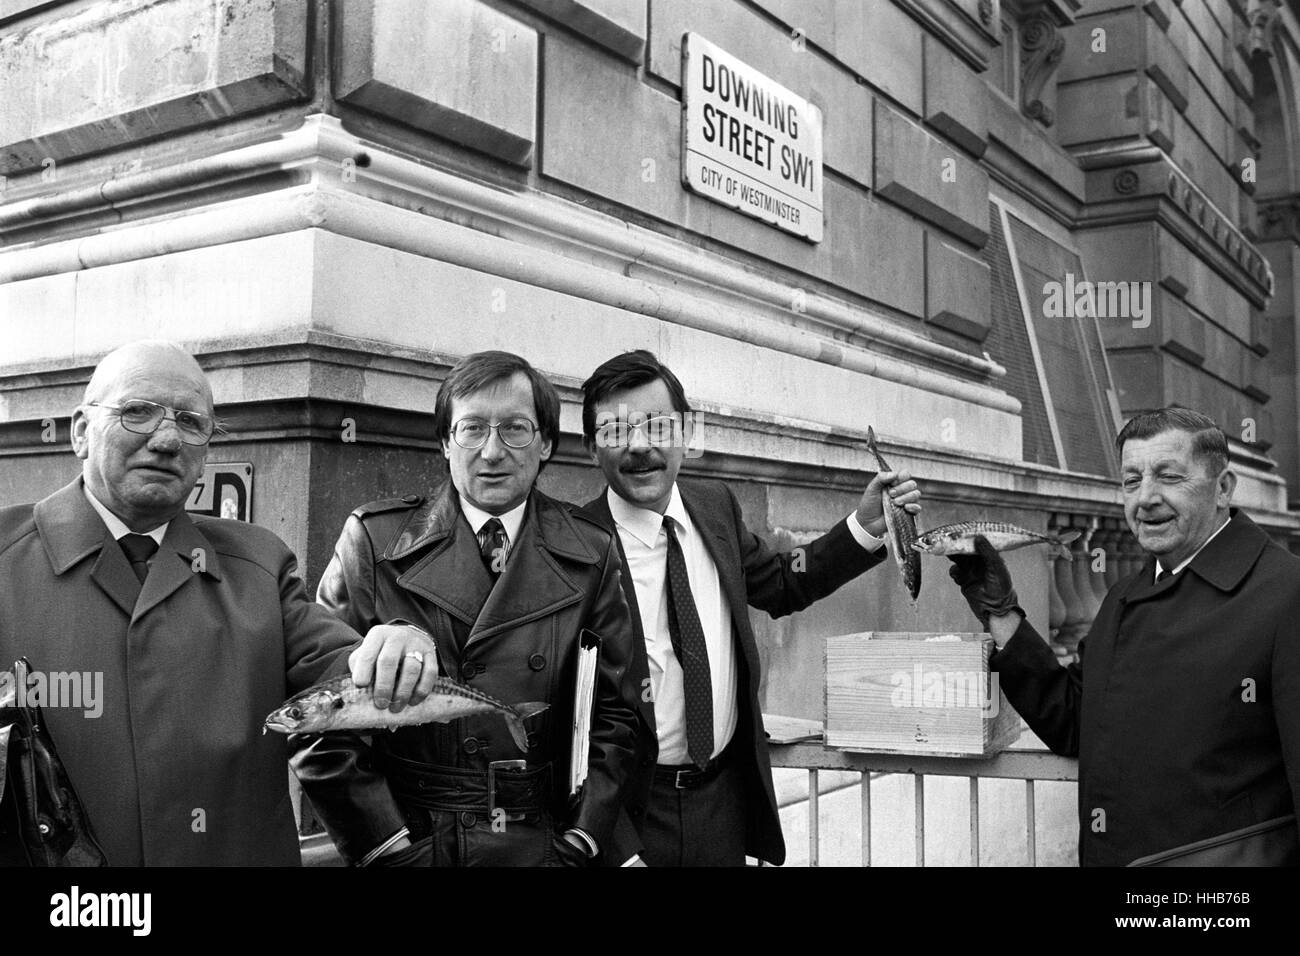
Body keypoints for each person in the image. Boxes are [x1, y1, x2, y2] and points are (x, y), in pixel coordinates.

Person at [0, 340, 432, 866]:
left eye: (190, 422)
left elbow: (348, 673)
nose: (166, 439)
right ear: (80, 431)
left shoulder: (258, 564)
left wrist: (403, 643)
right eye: (137, 413)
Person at [291, 351, 640, 867]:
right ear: (444, 442)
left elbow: (617, 713)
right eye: (471, 429)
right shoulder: (375, 541)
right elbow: (319, 715)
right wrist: (388, 849)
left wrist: (583, 840)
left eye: (516, 429)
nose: (492, 452)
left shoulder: (592, 550)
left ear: (545, 443)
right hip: (421, 841)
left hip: (544, 846)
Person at [578, 350, 922, 866]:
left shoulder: (714, 506)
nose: (640, 446)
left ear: (687, 433)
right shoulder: (571, 546)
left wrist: (866, 525)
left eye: (657, 425)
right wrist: (614, 847)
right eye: (615, 431)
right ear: (589, 447)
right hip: (628, 819)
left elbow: (784, 583)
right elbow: (565, 714)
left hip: (723, 807)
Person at [949, 406, 1300, 865]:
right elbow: (1074, 721)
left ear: (1223, 488)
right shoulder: (1124, 595)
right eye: (1131, 481)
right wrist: (1002, 613)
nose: (1145, 498)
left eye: (1168, 477)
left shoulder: (1286, 594)